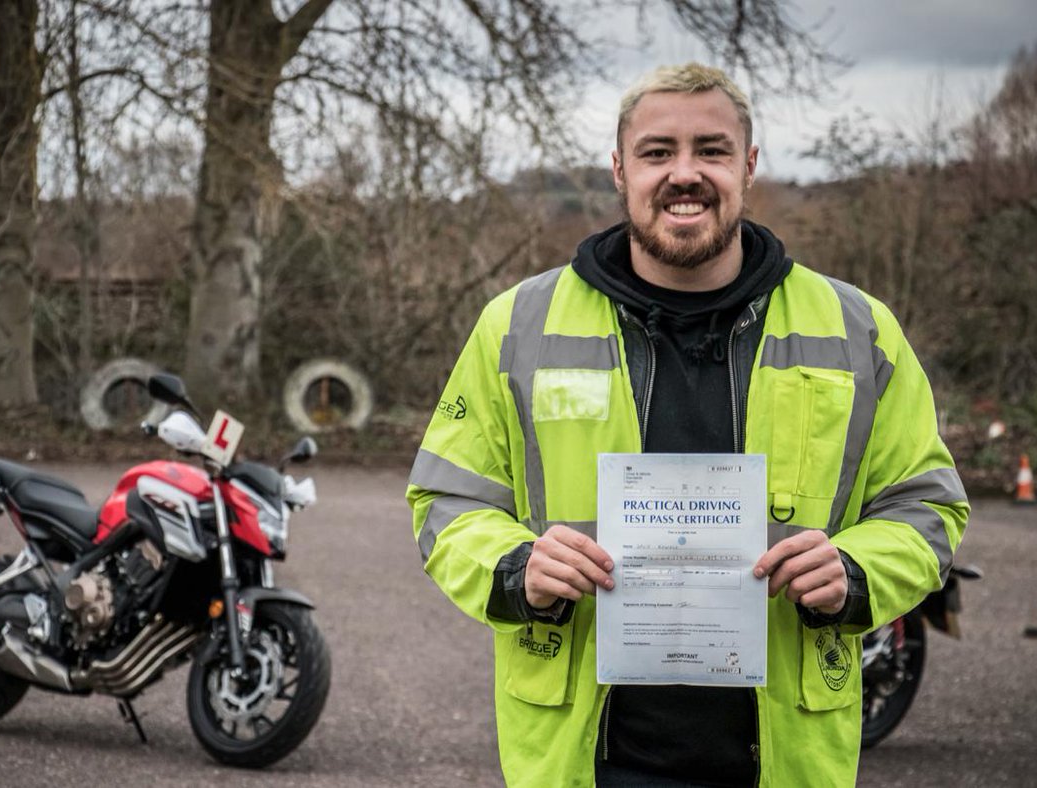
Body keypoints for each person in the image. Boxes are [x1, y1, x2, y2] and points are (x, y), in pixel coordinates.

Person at [406, 62, 969, 787]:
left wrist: (857, 570)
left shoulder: (859, 330)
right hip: (585, 761)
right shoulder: (517, 326)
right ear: (619, 169)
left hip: (784, 759)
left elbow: (928, 506)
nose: (685, 174)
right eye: (656, 152)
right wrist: (517, 568)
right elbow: (446, 501)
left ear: (750, 165)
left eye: (711, 150)